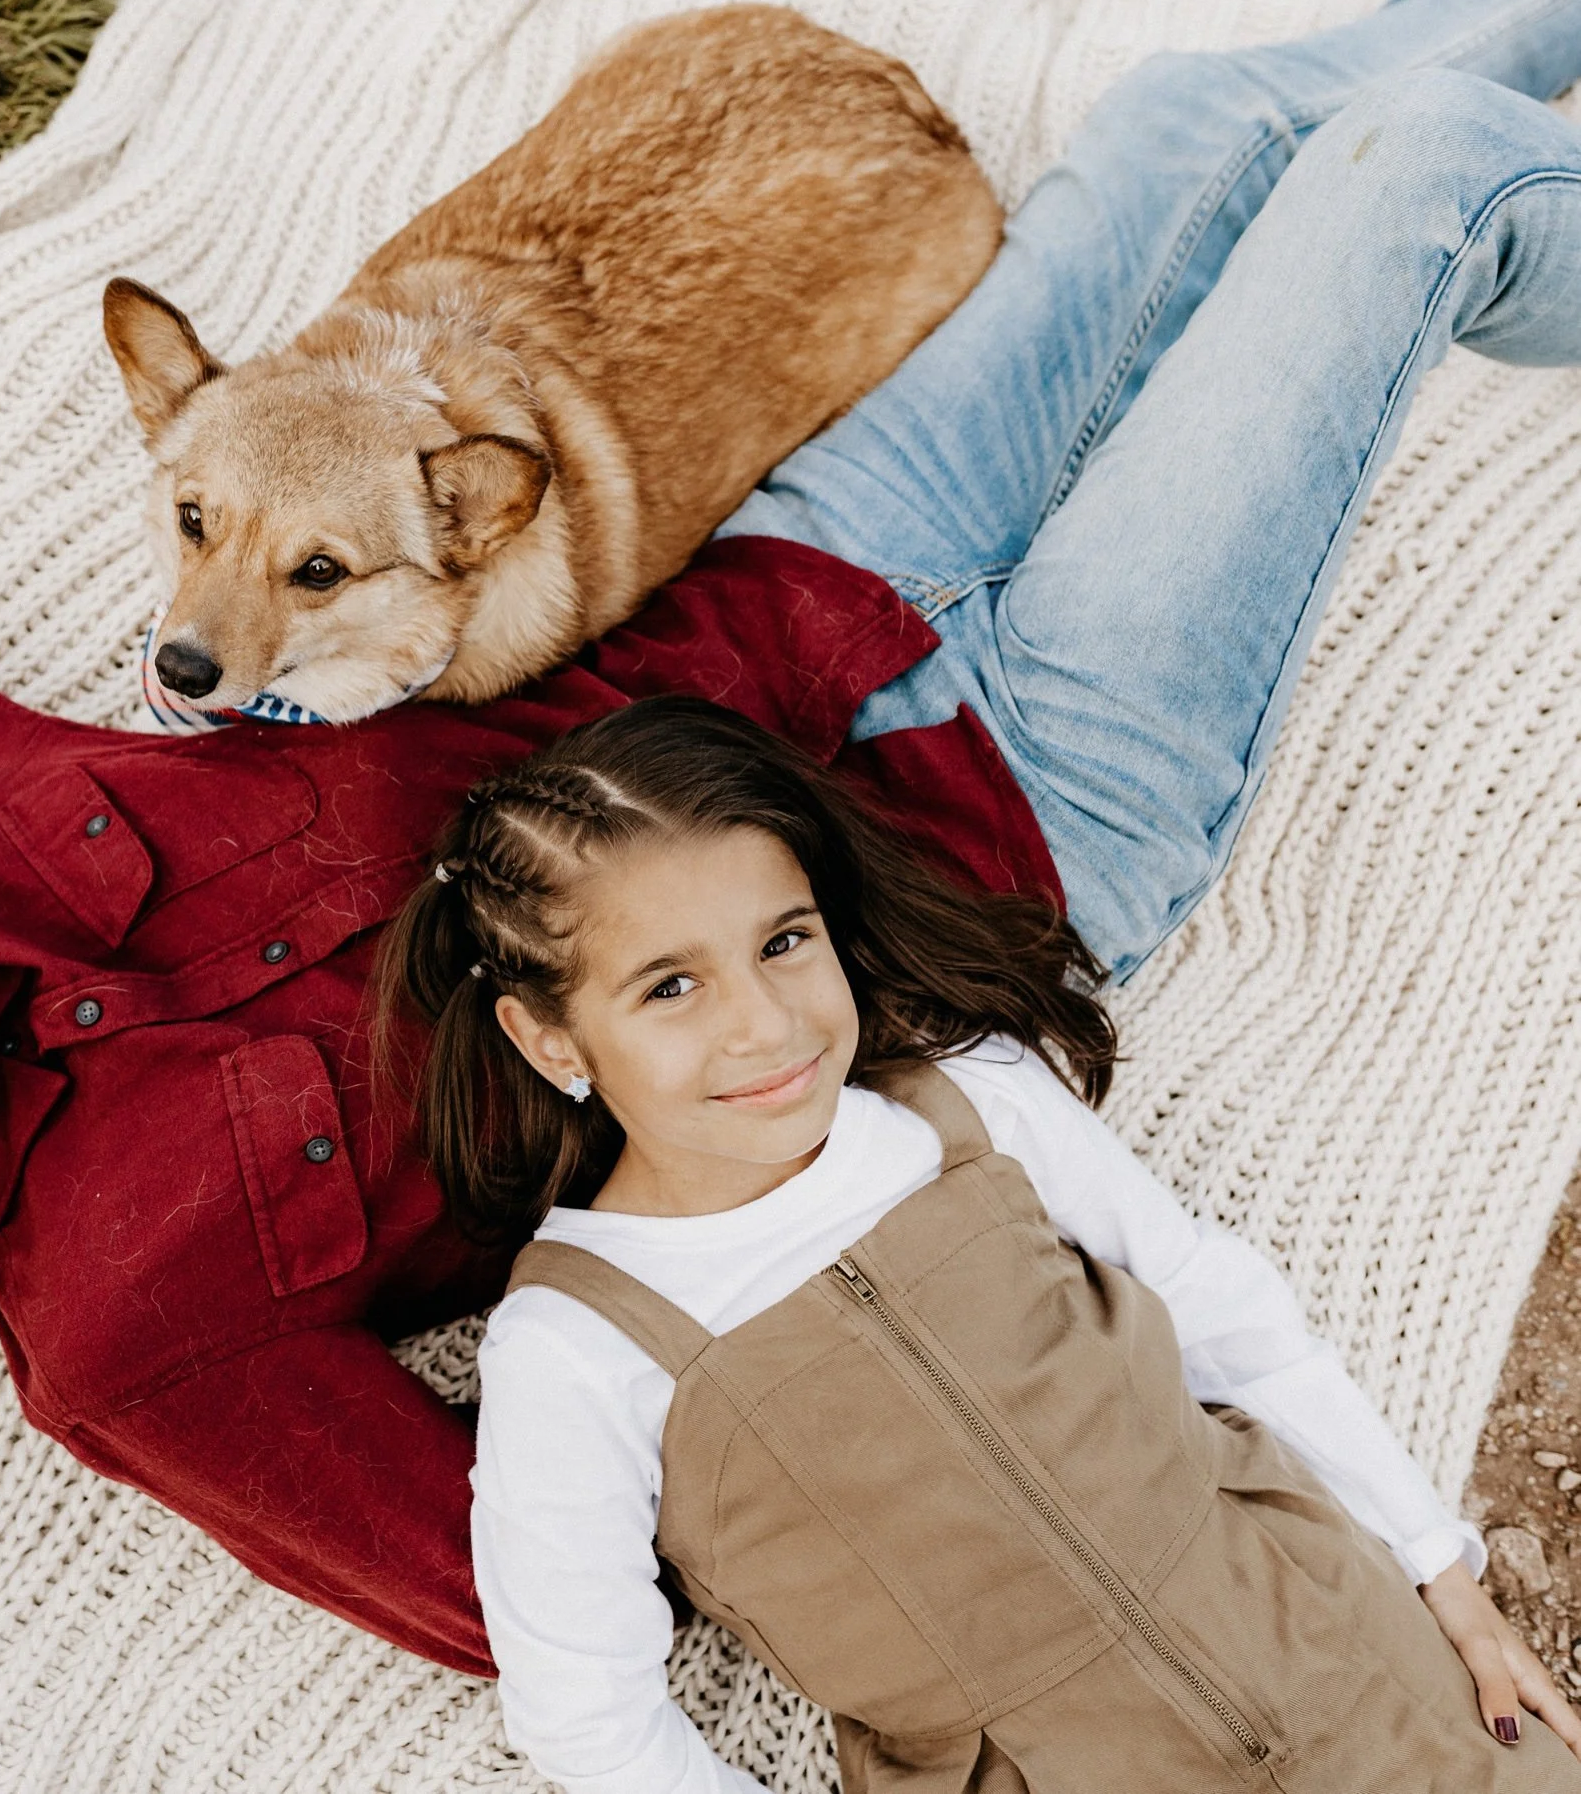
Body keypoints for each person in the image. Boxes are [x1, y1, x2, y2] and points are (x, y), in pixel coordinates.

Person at [0, 0, 1581, 1687]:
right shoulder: (122, 1339)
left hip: (816, 556)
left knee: (1190, 129)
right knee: (1401, 186)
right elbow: (529, 1601)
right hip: (1006, 819)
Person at [385, 695, 1581, 1791]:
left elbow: (1225, 1317)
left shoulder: (967, 1104)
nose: (764, 1024)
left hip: (1353, 1667)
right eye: (668, 988)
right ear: (549, 1041)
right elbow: (586, 1718)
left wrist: (1436, 1569)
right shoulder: (579, 1345)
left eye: (783, 942)